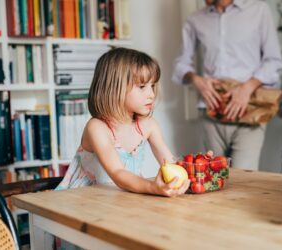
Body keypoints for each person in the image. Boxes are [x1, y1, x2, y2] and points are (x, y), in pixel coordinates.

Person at [56, 48, 190, 197]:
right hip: (83, 202)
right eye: (142, 87)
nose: (151, 94)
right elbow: (118, 172)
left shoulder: (148, 125)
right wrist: (152, 187)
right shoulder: (97, 128)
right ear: (115, 88)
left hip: (122, 200)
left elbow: (170, 164)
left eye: (152, 86)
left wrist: (201, 166)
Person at [172, 0, 282, 170]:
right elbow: (181, 64)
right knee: (214, 178)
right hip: (212, 113)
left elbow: (274, 62)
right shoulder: (196, 19)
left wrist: (247, 88)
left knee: (243, 182)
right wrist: (197, 80)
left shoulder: (259, 10)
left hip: (250, 112)